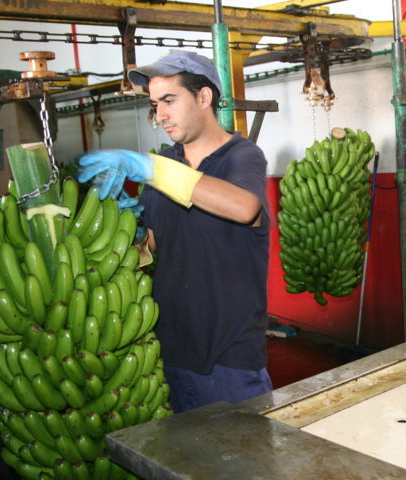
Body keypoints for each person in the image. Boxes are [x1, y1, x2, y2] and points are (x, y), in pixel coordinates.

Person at [77, 49, 272, 413]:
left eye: (169, 100)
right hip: (167, 348)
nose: (160, 115)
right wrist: (125, 228)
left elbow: (245, 208)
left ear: (203, 97)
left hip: (226, 355)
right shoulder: (166, 163)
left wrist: (146, 167)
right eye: (155, 104)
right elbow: (152, 247)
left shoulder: (241, 156)